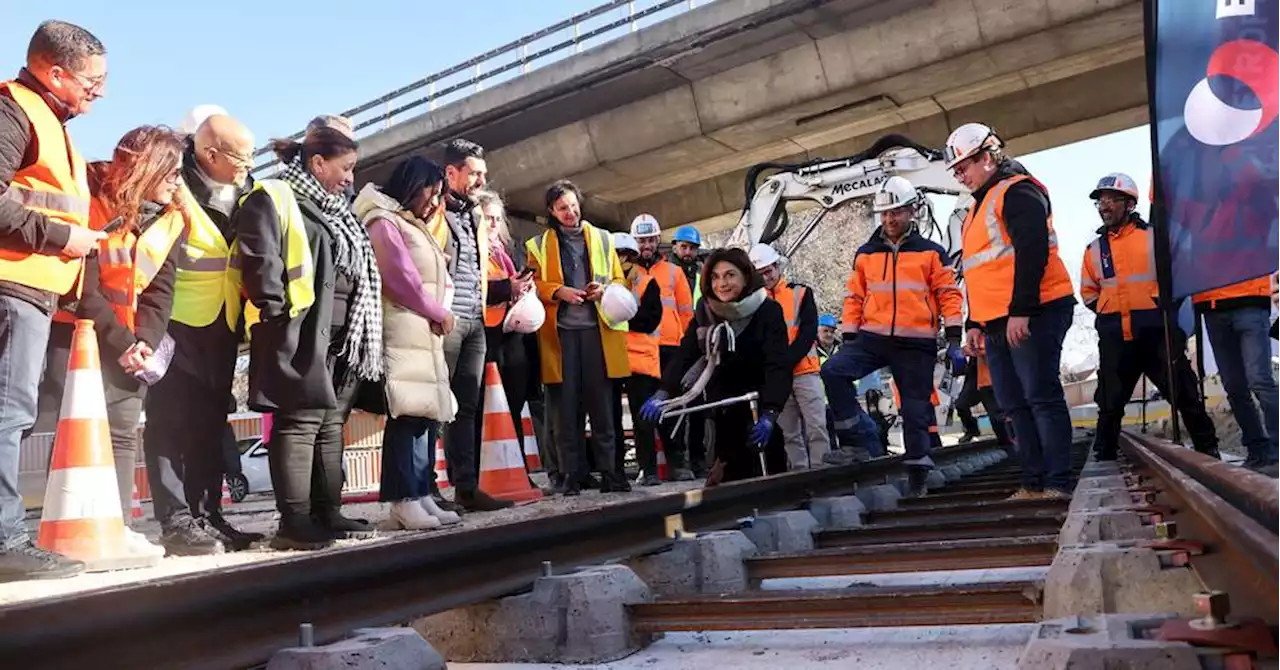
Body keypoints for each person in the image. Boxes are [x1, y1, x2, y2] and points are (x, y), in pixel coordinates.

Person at [238, 126, 383, 550]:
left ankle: (328, 511)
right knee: (299, 421)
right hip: (299, 328)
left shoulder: (338, 207)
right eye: (345, 168)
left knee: (329, 421)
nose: (350, 179)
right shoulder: (276, 196)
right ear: (317, 163)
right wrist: (275, 310)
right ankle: (294, 521)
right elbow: (259, 255)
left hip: (342, 333)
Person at [0, 20, 109, 580]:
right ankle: (4, 541)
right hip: (13, 285)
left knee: (12, 412)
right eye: (92, 80)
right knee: (9, 411)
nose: (100, 90)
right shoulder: (14, 110)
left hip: (32, 287)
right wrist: (67, 237)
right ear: (55, 72)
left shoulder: (48, 121)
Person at [70, 126, 191, 561]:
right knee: (62, 430)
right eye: (173, 172)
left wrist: (144, 343)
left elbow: (162, 290)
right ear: (147, 166)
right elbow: (83, 284)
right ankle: (60, 528)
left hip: (130, 342)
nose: (178, 182)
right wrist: (122, 340)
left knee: (122, 432)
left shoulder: (173, 219)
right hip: (78, 332)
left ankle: (117, 528)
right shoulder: (88, 196)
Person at [143, 112, 260, 556]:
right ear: (210, 154)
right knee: (169, 424)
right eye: (241, 158)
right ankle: (176, 523)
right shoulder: (174, 185)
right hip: (174, 322)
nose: (248, 165)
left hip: (224, 320)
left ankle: (208, 516)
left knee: (212, 424)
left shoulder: (245, 189)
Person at [945, 122, 1076, 500]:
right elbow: (979, 271)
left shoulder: (1017, 192)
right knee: (1014, 405)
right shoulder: (976, 209)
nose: (960, 175)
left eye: (964, 166)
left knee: (1041, 396)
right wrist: (973, 322)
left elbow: (1032, 253)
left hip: (1034, 311)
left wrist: (1021, 311)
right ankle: (1033, 483)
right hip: (997, 321)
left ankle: (1057, 482)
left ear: (987, 157)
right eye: (956, 170)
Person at [820, 177, 963, 496]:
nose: (889, 219)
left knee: (915, 409)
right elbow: (854, 297)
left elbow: (949, 295)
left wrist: (954, 339)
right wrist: (850, 335)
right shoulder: (865, 253)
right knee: (833, 371)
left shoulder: (931, 253)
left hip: (916, 342)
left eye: (896, 212)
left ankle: (918, 472)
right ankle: (857, 440)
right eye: (884, 213)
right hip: (873, 338)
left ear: (912, 211)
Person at [354, 156, 462, 530]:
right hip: (403, 327)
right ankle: (403, 498)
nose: (433, 204)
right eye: (431, 194)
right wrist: (437, 311)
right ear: (412, 185)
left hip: (420, 330)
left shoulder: (406, 220)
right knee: (407, 414)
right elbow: (398, 279)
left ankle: (419, 493)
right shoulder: (384, 220)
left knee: (424, 416)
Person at [1082, 173, 1219, 461]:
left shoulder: (1156, 238)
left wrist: (1161, 313)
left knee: (1184, 393)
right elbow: (1089, 293)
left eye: (1111, 200)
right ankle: (1104, 455)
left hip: (1157, 330)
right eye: (1101, 201)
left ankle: (1208, 449)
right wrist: (1110, 315)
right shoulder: (1093, 250)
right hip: (1115, 334)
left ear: (1129, 204)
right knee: (1110, 400)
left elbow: (1179, 279)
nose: (1104, 206)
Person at [641, 248, 792, 485]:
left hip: (758, 403)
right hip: (722, 405)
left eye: (730, 275)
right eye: (715, 277)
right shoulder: (706, 310)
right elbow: (686, 353)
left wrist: (770, 413)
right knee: (730, 474)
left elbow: (778, 364)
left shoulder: (767, 310)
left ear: (745, 276)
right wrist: (664, 392)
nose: (722, 283)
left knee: (766, 471)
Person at [527, 179, 632, 496]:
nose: (570, 212)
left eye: (573, 205)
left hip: (598, 333)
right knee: (565, 411)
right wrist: (558, 291)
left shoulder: (602, 239)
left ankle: (612, 473)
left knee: (603, 408)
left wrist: (604, 290)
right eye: (562, 208)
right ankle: (570, 475)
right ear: (551, 211)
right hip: (560, 337)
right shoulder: (539, 245)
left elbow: (618, 278)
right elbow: (532, 284)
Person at [436, 139, 512, 512]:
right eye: (474, 173)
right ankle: (427, 488)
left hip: (475, 320)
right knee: (437, 405)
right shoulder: (433, 210)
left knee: (467, 407)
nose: (481, 180)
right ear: (452, 173)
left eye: (483, 173)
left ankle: (466, 487)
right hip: (446, 320)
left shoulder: (475, 214)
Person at [750, 244, 831, 470]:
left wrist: (784, 362)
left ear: (777, 266)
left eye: (768, 271)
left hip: (804, 371)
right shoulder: (755, 303)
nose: (766, 277)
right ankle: (799, 475)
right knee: (789, 433)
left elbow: (807, 332)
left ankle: (821, 472)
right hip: (778, 378)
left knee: (817, 426)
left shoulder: (801, 293)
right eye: (760, 274)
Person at [628, 215, 695, 480]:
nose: (646, 245)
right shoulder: (626, 273)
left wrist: (687, 350)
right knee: (641, 410)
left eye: (650, 239)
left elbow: (687, 313)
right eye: (641, 240)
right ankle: (648, 468)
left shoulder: (673, 272)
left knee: (672, 407)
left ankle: (677, 464)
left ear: (658, 241)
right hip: (639, 350)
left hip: (670, 349)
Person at [474, 189, 535, 479]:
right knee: (483, 411)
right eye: (488, 219)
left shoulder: (504, 253)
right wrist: (506, 289)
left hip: (512, 335)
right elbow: (473, 290)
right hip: (486, 337)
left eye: (497, 219)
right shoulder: (472, 251)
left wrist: (523, 287)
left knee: (514, 404)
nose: (494, 225)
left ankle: (517, 471)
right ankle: (480, 475)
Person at [1193, 272, 1280, 475]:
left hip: (1251, 302)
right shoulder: (1196, 238)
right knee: (1233, 386)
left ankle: (1277, 452)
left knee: (1259, 379)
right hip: (1213, 307)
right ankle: (1258, 450)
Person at [612, 232, 666, 485]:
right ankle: (615, 472)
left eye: (625, 255)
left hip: (639, 360)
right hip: (611, 359)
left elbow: (649, 320)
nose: (621, 259)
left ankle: (650, 471)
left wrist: (619, 318)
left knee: (642, 419)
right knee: (611, 420)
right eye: (617, 254)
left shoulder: (646, 283)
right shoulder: (604, 283)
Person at [667, 225, 708, 476]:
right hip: (674, 346)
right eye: (684, 247)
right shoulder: (668, 273)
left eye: (692, 248)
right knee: (676, 404)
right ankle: (678, 459)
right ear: (675, 246)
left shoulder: (702, 275)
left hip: (697, 346)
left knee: (699, 407)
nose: (688, 252)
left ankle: (698, 459)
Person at [953, 355, 1011, 445]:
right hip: (976, 368)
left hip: (990, 368)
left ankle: (1007, 441)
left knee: (996, 415)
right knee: (961, 404)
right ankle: (972, 430)